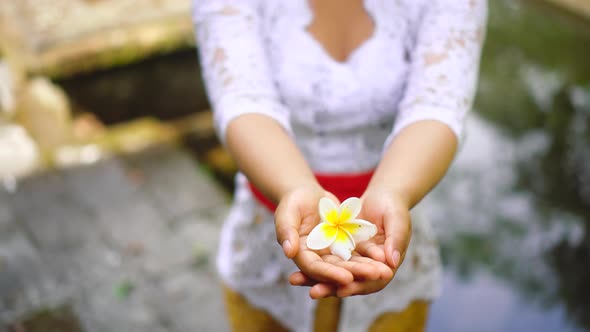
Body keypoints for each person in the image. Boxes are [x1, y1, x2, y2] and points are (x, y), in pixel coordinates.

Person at [193, 0, 487, 331]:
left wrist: (393, 192)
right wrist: (294, 189)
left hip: (383, 229)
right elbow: (242, 98)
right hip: (272, 233)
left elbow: (439, 102)